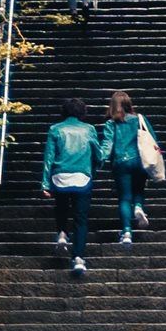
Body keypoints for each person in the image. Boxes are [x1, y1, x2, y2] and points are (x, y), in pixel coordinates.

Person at [41, 93, 103, 274]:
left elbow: (49, 157)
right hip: (82, 177)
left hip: (60, 176)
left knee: (61, 206)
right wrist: (98, 164)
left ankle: (61, 233)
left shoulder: (55, 129)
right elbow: (98, 153)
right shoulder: (89, 129)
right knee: (80, 219)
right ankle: (78, 258)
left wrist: (45, 183)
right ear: (83, 112)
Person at [101, 88, 159, 247]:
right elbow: (153, 139)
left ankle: (126, 232)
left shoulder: (111, 124)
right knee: (139, 190)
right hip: (140, 161)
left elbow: (107, 146)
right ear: (128, 104)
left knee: (125, 198)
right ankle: (139, 207)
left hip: (121, 163)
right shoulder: (140, 119)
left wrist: (99, 160)